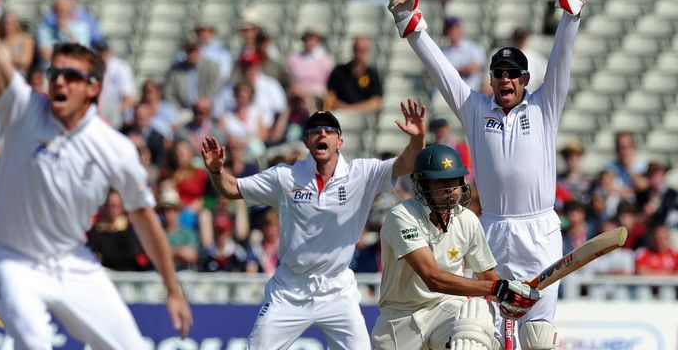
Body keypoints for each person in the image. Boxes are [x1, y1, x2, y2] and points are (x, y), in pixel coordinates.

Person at [0, 0, 192, 348]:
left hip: (73, 263)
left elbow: (144, 217)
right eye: (55, 72)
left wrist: (173, 289)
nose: (59, 82)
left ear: (94, 88)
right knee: (35, 345)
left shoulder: (115, 147)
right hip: (12, 260)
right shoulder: (23, 109)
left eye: (71, 75)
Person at [386, 0, 594, 348]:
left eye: (513, 74)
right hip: (492, 230)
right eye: (499, 74)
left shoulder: (544, 106)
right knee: (481, 333)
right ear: (491, 79)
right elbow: (443, 72)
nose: (506, 80)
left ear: (525, 79)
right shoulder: (476, 109)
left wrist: (572, 12)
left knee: (537, 336)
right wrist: (409, 25)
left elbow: (563, 62)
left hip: (540, 231)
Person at [202, 101, 427, 350]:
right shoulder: (285, 177)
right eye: (315, 130)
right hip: (290, 289)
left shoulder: (361, 173)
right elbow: (232, 188)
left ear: (340, 141)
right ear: (306, 142)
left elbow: (406, 163)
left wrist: (417, 140)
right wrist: (217, 170)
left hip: (337, 289)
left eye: (329, 130)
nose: (322, 134)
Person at [372, 145, 542, 349]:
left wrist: (513, 295)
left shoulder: (467, 219)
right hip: (401, 318)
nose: (450, 190)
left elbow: (489, 278)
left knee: (474, 323)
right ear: (422, 185)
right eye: (441, 183)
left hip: (446, 309)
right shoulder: (402, 217)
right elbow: (433, 279)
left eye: (454, 181)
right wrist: (499, 288)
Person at [324, 35, 383, 113]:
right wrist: (346, 109)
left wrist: (352, 109)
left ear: (367, 51)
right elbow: (330, 97)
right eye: (357, 49)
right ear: (353, 49)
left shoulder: (372, 74)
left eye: (362, 50)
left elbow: (376, 102)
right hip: (341, 114)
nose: (359, 53)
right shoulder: (339, 71)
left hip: (363, 117)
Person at [441, 16, 485, 92]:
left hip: (472, 91)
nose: (453, 32)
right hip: (451, 92)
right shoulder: (443, 51)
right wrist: (462, 70)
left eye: (455, 28)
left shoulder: (473, 47)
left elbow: (477, 66)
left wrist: (456, 72)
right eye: (450, 29)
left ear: (460, 29)